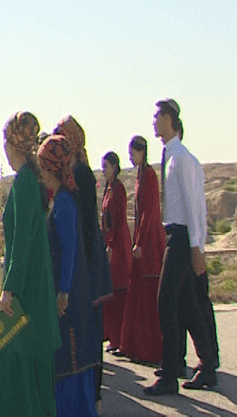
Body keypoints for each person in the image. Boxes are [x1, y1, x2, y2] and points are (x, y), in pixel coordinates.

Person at [144, 99, 219, 395]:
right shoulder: (171, 156)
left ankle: (170, 376)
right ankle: (207, 365)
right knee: (186, 305)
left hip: (182, 237)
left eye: (156, 116)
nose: (153, 122)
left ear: (168, 118)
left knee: (166, 303)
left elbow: (193, 205)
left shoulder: (181, 158)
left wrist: (197, 246)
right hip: (175, 236)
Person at [0, 112, 60, 417]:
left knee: (18, 367)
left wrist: (9, 290)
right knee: (28, 370)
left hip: (26, 293)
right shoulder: (31, 180)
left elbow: (21, 243)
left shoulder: (25, 183)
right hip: (32, 287)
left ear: (11, 144)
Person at [38, 134, 101, 417]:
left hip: (70, 299)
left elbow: (70, 249)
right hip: (69, 293)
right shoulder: (60, 198)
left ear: (51, 168)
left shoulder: (64, 202)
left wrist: (63, 291)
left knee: (71, 361)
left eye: (42, 166)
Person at [54, 114, 112, 411]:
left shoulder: (80, 174)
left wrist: (85, 268)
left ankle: (93, 393)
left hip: (87, 261)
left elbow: (87, 225)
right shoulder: (78, 171)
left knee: (88, 331)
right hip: (86, 258)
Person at [119, 135, 165, 364]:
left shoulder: (149, 175)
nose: (130, 157)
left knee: (148, 296)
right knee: (136, 293)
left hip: (149, 243)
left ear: (141, 152)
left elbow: (149, 212)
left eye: (132, 153)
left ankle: (151, 350)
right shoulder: (139, 174)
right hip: (140, 237)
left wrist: (141, 242)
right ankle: (133, 346)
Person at [101, 151, 132, 354]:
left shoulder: (118, 189)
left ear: (115, 167)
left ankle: (121, 339)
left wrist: (112, 245)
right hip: (109, 244)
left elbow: (118, 220)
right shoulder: (108, 188)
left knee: (119, 292)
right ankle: (113, 337)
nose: (104, 171)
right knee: (110, 294)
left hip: (118, 246)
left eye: (106, 167)